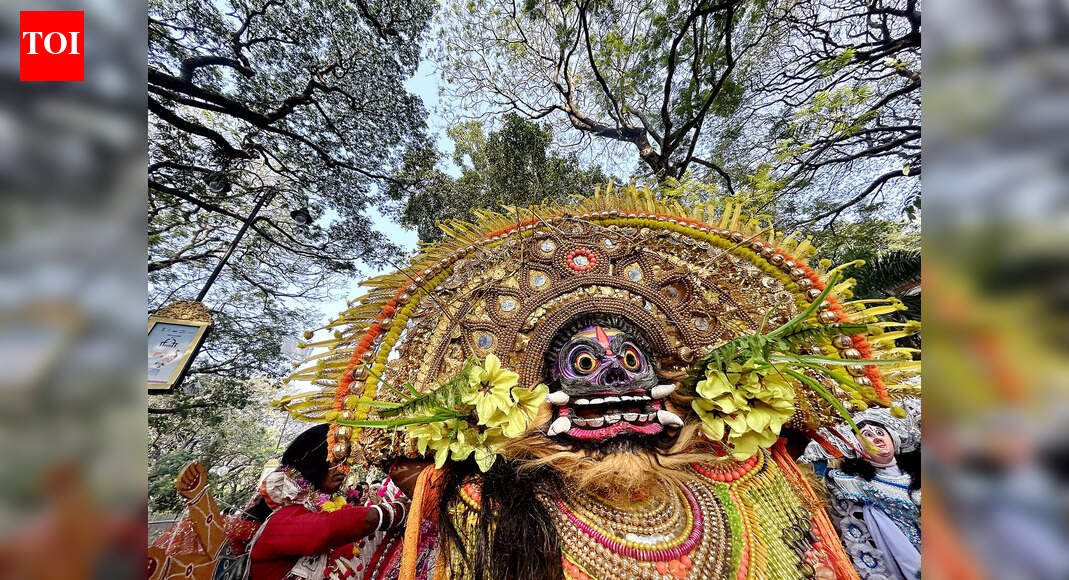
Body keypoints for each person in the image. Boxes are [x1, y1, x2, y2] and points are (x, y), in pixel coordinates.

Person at [247, 424, 408, 580]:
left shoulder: (322, 511)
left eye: (346, 462)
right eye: (336, 459)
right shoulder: (278, 521)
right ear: (311, 459)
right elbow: (326, 530)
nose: (343, 470)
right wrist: (396, 511)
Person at [821, 409, 921, 580]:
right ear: (857, 445)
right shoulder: (862, 489)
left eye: (880, 432)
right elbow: (899, 549)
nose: (877, 438)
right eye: (867, 435)